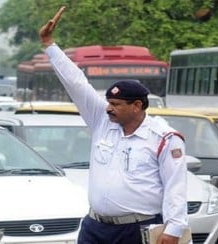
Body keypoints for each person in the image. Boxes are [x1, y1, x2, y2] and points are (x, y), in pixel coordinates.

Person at [39, 6, 188, 244]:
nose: (108, 108)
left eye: (116, 104)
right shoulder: (102, 121)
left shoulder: (163, 138)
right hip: (94, 228)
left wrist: (174, 229)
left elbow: (175, 187)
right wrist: (49, 44)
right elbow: (76, 83)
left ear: (137, 105)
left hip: (137, 230)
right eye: (108, 102)